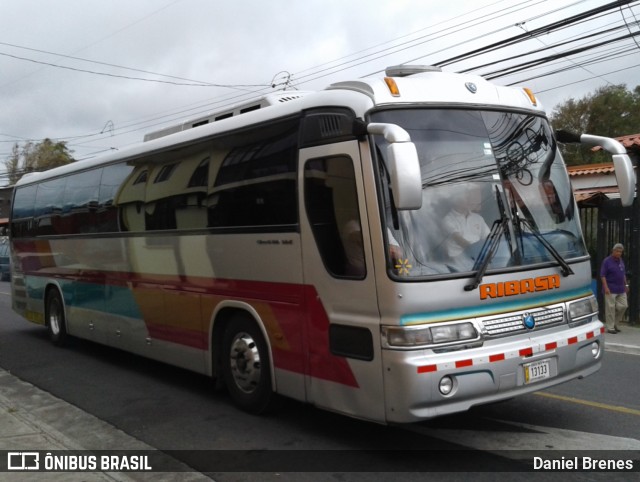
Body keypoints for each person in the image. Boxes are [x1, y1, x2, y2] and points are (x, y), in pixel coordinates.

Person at [441, 188, 490, 260]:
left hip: (479, 257)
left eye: (469, 197)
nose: (469, 200)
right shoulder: (448, 220)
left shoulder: (478, 218)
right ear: (456, 201)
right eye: (466, 197)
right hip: (458, 260)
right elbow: (459, 240)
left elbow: (488, 237)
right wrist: (477, 251)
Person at [600, 243, 629, 334]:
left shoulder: (621, 261)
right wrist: (606, 287)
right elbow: (603, 275)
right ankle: (610, 327)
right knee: (610, 308)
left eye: (620, 251)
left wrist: (626, 285)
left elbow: (623, 274)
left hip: (621, 288)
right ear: (613, 251)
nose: (619, 253)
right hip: (610, 288)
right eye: (617, 251)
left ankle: (615, 323)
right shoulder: (607, 261)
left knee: (624, 306)